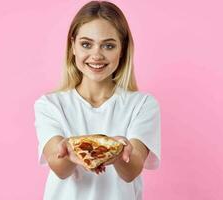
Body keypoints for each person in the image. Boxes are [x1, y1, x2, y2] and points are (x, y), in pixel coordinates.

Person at [33, 1, 161, 200]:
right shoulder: (49, 105)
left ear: (122, 49)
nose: (96, 55)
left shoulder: (142, 105)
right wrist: (71, 152)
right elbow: (59, 168)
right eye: (86, 44)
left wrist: (117, 153)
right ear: (73, 46)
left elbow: (131, 171)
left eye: (108, 45)